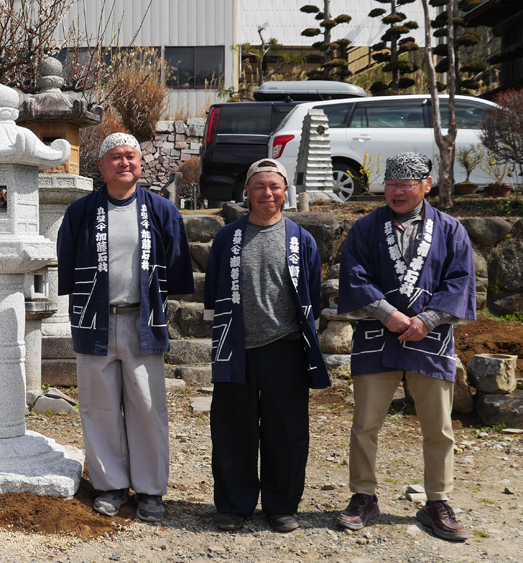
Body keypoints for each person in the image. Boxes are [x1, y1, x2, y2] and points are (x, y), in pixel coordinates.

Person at [336, 152, 476, 541]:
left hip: (430, 339)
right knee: (365, 424)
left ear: (426, 185)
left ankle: (438, 501)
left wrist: (426, 320)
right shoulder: (365, 228)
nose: (397, 192)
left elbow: (460, 280)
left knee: (439, 427)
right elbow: (354, 274)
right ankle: (363, 494)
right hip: (376, 336)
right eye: (392, 184)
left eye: (407, 184)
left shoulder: (450, 230)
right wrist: (387, 314)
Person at [57, 132, 194, 522]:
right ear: (101, 166)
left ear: (139, 163)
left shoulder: (161, 210)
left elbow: (178, 265)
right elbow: (67, 265)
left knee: (148, 407)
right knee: (98, 407)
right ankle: (110, 485)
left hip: (142, 321)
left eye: (130, 157)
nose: (124, 163)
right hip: (95, 319)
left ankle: (150, 490)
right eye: (115, 157)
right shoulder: (81, 211)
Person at [204, 159, 330, 533]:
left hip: (286, 348)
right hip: (236, 347)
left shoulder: (300, 239)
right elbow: (213, 292)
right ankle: (233, 505)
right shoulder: (227, 237)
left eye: (275, 186)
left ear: (286, 190)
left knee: (287, 432)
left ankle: (281, 505)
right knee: (231, 431)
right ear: (247, 191)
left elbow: (313, 296)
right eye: (259, 186)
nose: (267, 193)